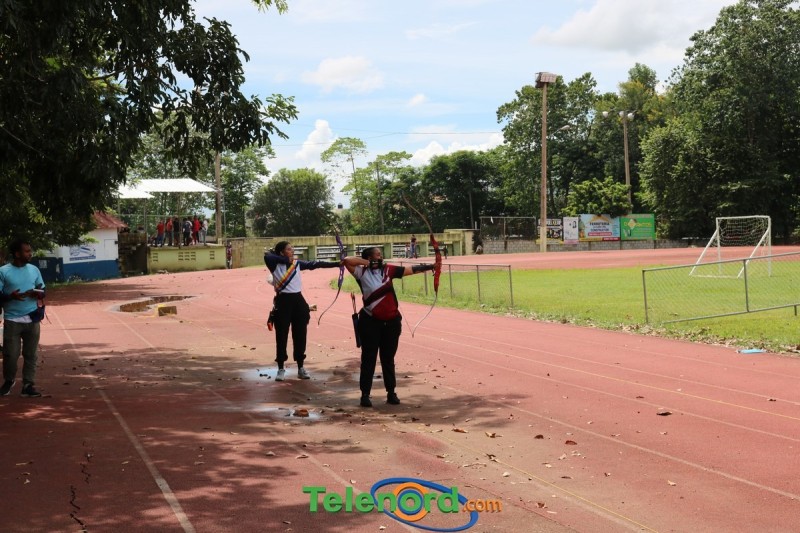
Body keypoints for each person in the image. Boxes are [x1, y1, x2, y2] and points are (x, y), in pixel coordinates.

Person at [343, 247, 435, 407]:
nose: (381, 257)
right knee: (369, 358)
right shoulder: (361, 273)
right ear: (369, 258)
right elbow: (347, 261)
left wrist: (431, 267)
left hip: (391, 323)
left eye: (380, 254)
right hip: (370, 322)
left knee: (388, 359)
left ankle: (391, 392)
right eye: (377, 254)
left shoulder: (388, 270)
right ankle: (365, 395)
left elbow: (409, 270)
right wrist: (368, 263)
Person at [264, 241, 341, 381]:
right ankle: (281, 368)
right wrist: (285, 260)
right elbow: (267, 255)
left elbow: (315, 264)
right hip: (283, 301)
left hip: (298, 302)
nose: (292, 251)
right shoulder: (274, 264)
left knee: (300, 334)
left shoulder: (297, 264)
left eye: (292, 249)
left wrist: (337, 264)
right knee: (281, 335)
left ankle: (301, 367)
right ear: (281, 252)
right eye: (289, 249)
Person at [0, 238, 46, 398]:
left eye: (30, 251)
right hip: (12, 320)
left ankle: (28, 385)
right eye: (26, 251)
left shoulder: (34, 269)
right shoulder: (3, 271)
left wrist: (38, 293)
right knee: (10, 355)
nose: (30, 254)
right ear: (17, 254)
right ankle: (9, 381)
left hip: (32, 319)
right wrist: (11, 296)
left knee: (31, 354)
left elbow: (43, 290)